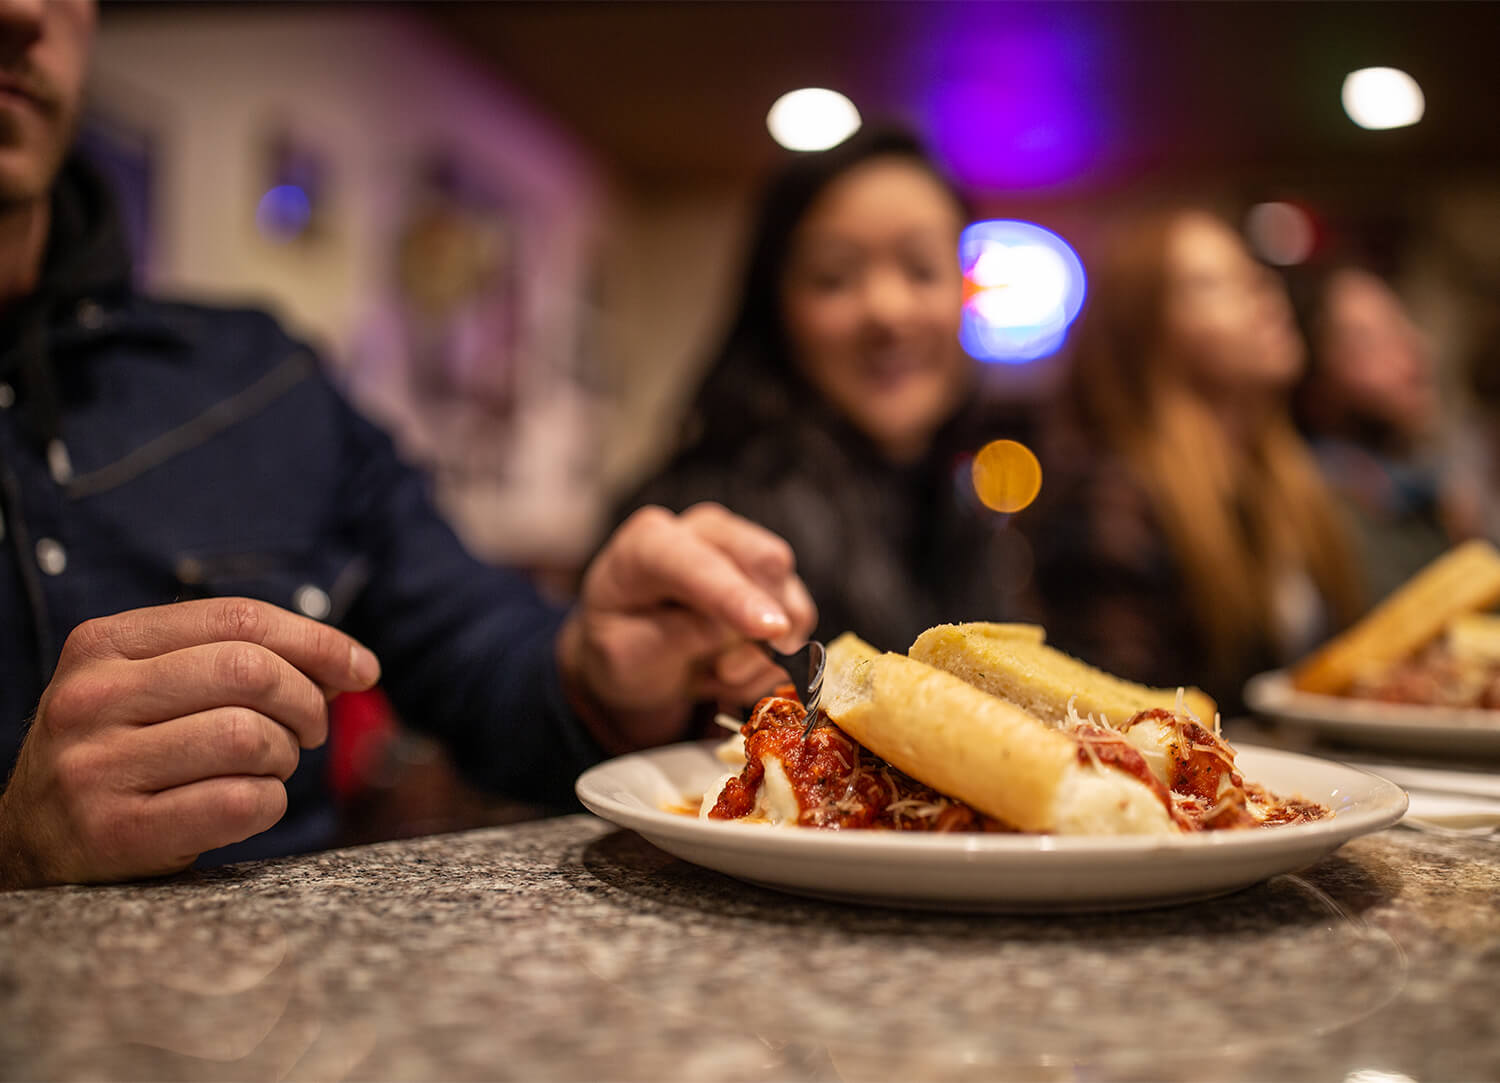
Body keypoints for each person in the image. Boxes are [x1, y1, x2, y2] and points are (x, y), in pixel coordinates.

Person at [0, 0, 814, 889]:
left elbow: (472, 647)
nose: (22, 11)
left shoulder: (262, 377)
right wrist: (14, 848)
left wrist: (600, 667)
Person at [619, 126, 1033, 654]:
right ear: (776, 308)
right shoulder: (715, 516)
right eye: (833, 276)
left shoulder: (956, 500)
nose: (887, 310)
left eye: (922, 270)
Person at [1026, 208, 1363, 709]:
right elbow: (1122, 718)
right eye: (1211, 283)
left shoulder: (1285, 481)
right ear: (1144, 332)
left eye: (1252, 272)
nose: (1263, 292)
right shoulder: (1112, 502)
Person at [1293, 264, 1474, 602]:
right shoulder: (1320, 510)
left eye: (1401, 323)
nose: (1411, 348)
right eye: (1368, 340)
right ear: (1315, 384)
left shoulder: (1427, 489)